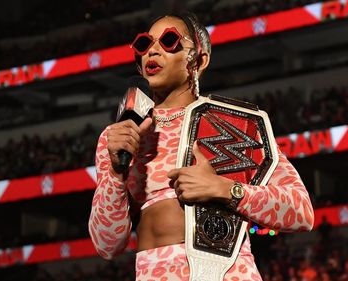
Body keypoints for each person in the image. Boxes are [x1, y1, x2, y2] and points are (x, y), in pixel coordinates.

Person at [88, 12, 314, 281]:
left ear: (199, 59)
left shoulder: (236, 123)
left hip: (228, 273)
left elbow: (301, 212)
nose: (153, 51)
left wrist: (224, 189)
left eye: (169, 41)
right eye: (144, 44)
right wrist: (116, 172)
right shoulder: (119, 136)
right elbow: (107, 245)